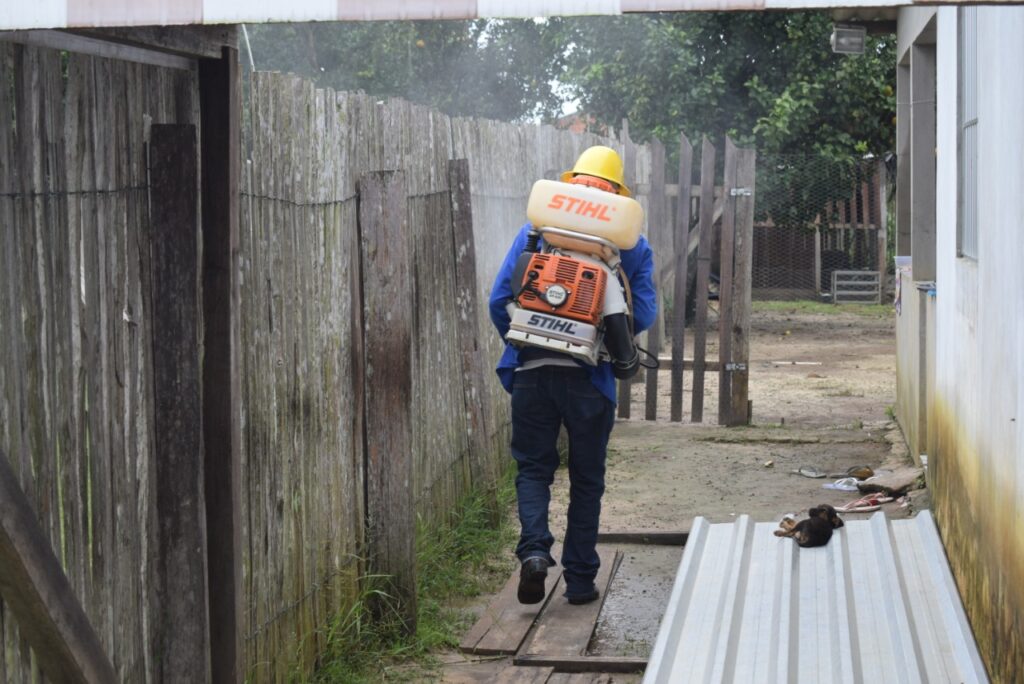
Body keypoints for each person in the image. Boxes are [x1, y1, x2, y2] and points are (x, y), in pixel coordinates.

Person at [488, 145, 657, 605]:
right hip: (590, 379)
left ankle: (534, 554)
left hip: (531, 372)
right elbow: (641, 312)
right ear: (617, 192)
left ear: (573, 182)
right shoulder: (629, 243)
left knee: (534, 469)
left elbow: (497, 299)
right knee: (586, 478)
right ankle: (580, 580)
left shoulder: (537, 229)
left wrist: (529, 336)